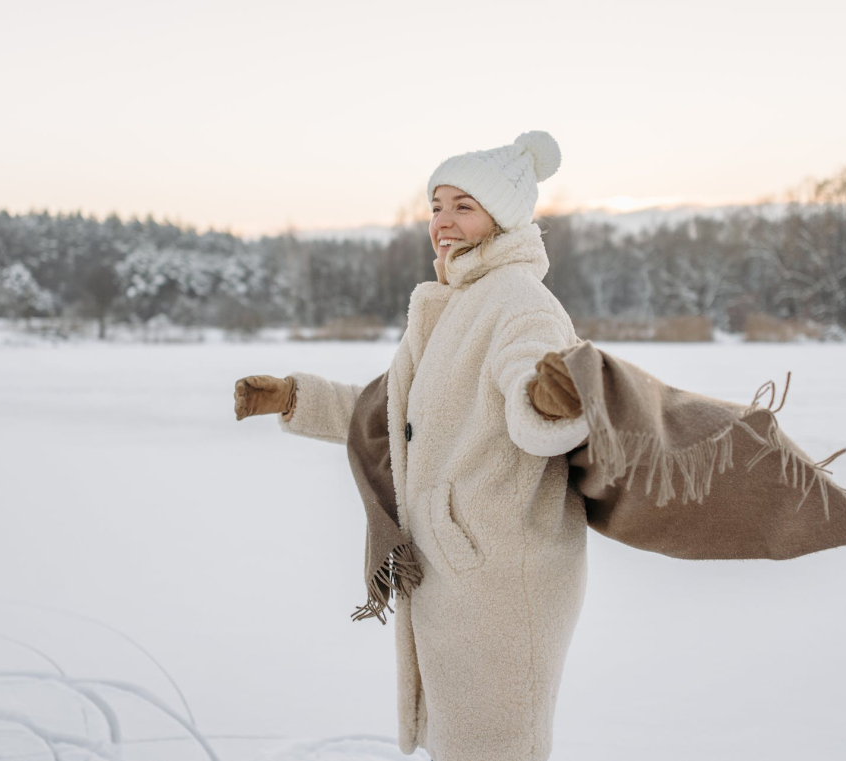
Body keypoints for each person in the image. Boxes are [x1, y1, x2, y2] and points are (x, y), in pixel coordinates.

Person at [235, 131, 588, 761]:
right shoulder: (454, 305)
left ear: (501, 218)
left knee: (499, 749)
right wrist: (294, 397)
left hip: (503, 578)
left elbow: (537, 389)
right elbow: (392, 415)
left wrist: (547, 398)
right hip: (454, 573)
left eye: (463, 206)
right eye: (436, 206)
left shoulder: (517, 303)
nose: (443, 222)